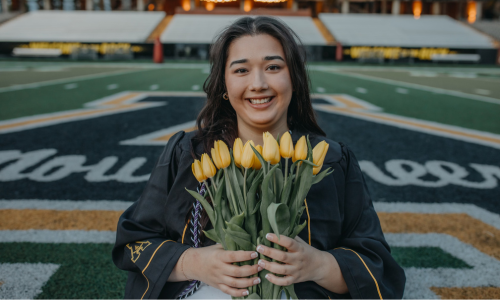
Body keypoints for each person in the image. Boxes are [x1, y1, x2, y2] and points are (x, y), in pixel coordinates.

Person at [112, 16, 406, 299]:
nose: (258, 83)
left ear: (294, 78)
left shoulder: (330, 160)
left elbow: (378, 266)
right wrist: (194, 263)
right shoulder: (188, 154)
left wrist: (318, 265)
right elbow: (133, 243)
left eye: (273, 67)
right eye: (241, 70)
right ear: (224, 85)